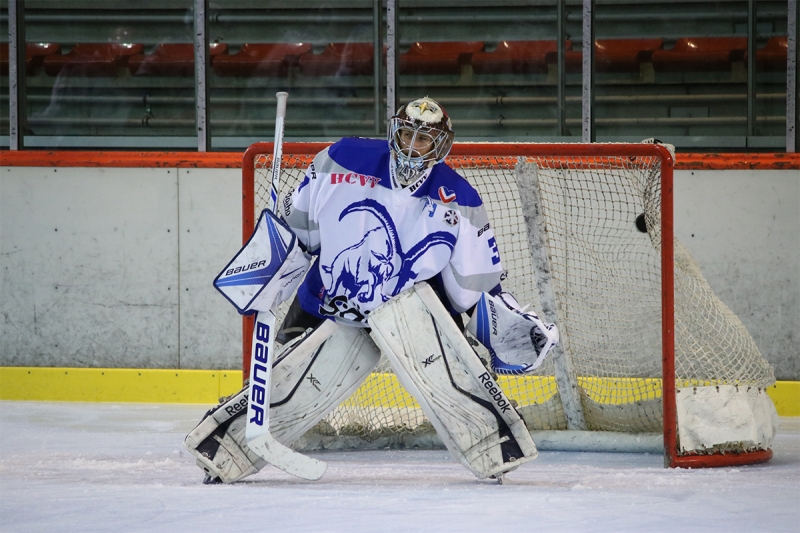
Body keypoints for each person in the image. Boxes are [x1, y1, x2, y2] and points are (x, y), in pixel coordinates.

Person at [184, 97, 559, 484]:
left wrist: (511, 328)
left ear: (441, 145)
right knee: (285, 382)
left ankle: (493, 444)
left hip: (405, 313)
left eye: (424, 139)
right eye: (407, 134)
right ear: (394, 131)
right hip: (327, 301)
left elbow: (472, 291)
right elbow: (299, 236)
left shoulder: (459, 199)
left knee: (450, 374)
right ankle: (224, 448)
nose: (413, 146)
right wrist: (269, 264)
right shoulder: (341, 158)